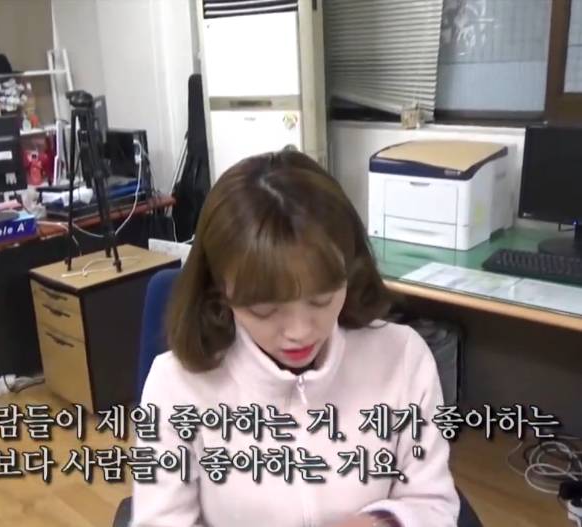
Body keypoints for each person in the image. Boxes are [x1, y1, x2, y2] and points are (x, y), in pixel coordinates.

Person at [130, 150, 460, 527]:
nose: (301, 331)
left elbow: (432, 502)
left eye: (322, 299)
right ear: (220, 290)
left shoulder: (402, 358)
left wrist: (383, 524)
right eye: (265, 310)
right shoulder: (175, 386)